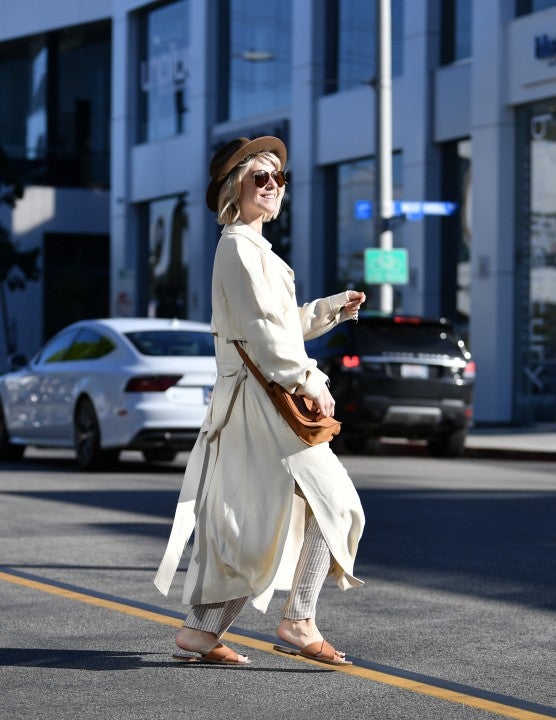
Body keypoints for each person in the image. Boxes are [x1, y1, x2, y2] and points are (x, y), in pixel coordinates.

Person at [154, 136, 366, 666]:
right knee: (332, 503)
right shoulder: (237, 248)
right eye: (261, 177)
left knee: (262, 520)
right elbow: (265, 337)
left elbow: (279, 326)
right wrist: (312, 381)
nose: (273, 186)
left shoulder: (255, 250)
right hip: (258, 404)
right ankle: (298, 620)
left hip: (260, 401)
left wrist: (330, 309)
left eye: (278, 178)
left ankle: (202, 632)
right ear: (236, 188)